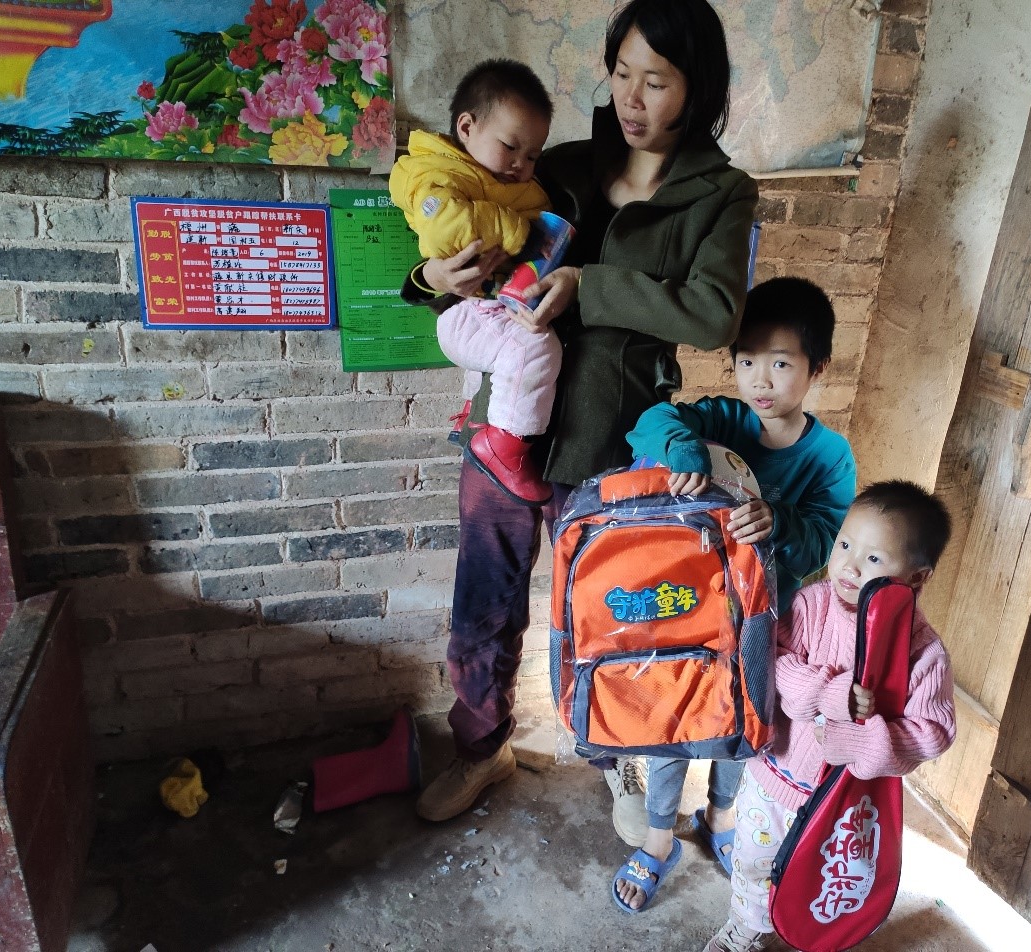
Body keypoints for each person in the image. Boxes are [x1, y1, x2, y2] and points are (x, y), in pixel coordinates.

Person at [403, 0, 760, 838]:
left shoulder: (720, 194)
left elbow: (716, 314)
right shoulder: (558, 164)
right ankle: (480, 748)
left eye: (656, 81)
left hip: (613, 436)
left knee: (614, 610)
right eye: (622, 74)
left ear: (698, 87)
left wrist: (591, 287)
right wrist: (431, 278)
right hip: (508, 429)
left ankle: (619, 758)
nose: (631, 98)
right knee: (483, 604)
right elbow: (467, 247)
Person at [612, 276, 856, 912]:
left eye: (781, 363)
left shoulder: (831, 457)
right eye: (747, 362)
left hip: (763, 620)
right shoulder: (724, 418)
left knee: (744, 722)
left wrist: (780, 522)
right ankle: (659, 839)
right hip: (690, 610)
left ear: (818, 368)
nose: (760, 380)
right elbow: (653, 419)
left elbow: (827, 541)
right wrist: (685, 451)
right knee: (674, 717)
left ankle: (720, 818)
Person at [701, 480, 958, 952]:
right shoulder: (811, 604)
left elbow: (933, 732)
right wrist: (825, 692)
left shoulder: (922, 652)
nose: (850, 565)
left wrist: (859, 741)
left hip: (846, 801)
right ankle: (746, 927)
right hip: (774, 778)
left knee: (821, 876)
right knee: (754, 864)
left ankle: (809, 932)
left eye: (874, 558)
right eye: (844, 545)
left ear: (917, 578)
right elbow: (772, 661)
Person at [388, 59, 560, 505]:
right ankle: (503, 448)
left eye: (533, 156)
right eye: (511, 147)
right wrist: (514, 228)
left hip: (489, 310)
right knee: (534, 345)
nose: (521, 164)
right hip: (465, 312)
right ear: (467, 127)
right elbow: (444, 231)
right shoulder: (436, 173)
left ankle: (481, 420)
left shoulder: (507, 184)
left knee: (521, 345)